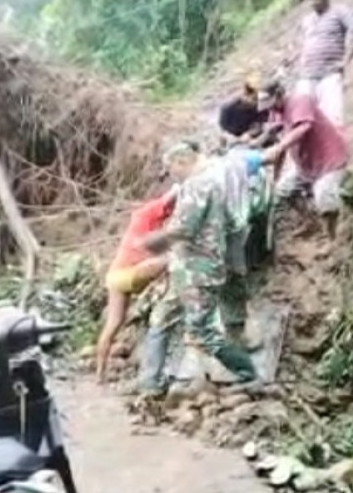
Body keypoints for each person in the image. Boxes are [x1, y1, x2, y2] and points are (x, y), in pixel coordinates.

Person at [136, 142, 261, 394]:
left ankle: (247, 371)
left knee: (201, 331)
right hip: (186, 267)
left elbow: (185, 228)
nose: (172, 176)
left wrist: (154, 241)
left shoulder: (199, 184)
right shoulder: (207, 183)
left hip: (198, 270)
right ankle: (149, 383)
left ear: (182, 162)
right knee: (161, 317)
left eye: (171, 170)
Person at [94, 189, 177, 383]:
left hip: (115, 277)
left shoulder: (146, 220)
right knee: (169, 259)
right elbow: (171, 195)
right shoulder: (148, 213)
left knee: (113, 325)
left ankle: (100, 373)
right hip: (127, 275)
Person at [259, 77, 351, 241]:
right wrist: (275, 177)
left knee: (324, 196)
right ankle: (310, 222)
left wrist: (280, 147)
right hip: (306, 165)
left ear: (279, 95)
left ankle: (333, 237)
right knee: (283, 191)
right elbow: (281, 145)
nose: (270, 109)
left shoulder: (300, 101)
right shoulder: (276, 114)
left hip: (329, 159)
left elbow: (304, 127)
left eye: (272, 104)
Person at [292, 0, 353, 129]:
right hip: (307, 75)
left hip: (330, 74)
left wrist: (346, 61)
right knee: (302, 117)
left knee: (333, 119)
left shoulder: (339, 12)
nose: (316, 1)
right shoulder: (307, 20)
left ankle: (335, 150)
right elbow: (304, 44)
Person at [217, 75, 277, 148]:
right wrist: (233, 139)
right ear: (245, 94)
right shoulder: (227, 108)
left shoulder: (261, 104)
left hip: (256, 138)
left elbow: (263, 123)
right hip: (234, 141)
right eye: (254, 99)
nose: (256, 102)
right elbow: (223, 132)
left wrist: (250, 134)